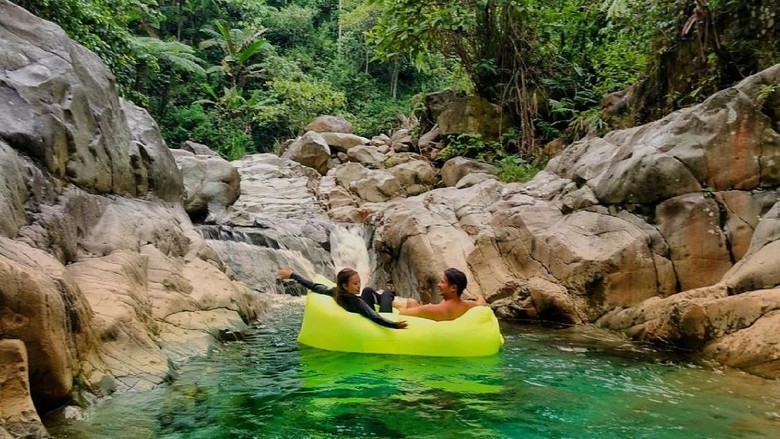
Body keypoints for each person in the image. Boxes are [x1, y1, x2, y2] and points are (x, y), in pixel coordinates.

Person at [277, 268, 407, 329]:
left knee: (367, 290)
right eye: (355, 284)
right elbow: (374, 317)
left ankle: (384, 300)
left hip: (364, 305)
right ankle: (394, 303)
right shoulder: (356, 302)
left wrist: (293, 275)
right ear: (345, 286)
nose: (358, 286)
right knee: (387, 293)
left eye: (358, 282)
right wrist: (395, 325)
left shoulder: (335, 292)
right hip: (384, 315)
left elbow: (314, 286)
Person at [397, 268, 487, 321]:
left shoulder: (434, 309)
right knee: (413, 302)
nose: (438, 285)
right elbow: (481, 303)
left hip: (429, 324)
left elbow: (401, 313)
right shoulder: (467, 305)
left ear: (453, 288)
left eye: (442, 282)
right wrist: (478, 296)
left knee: (411, 301)